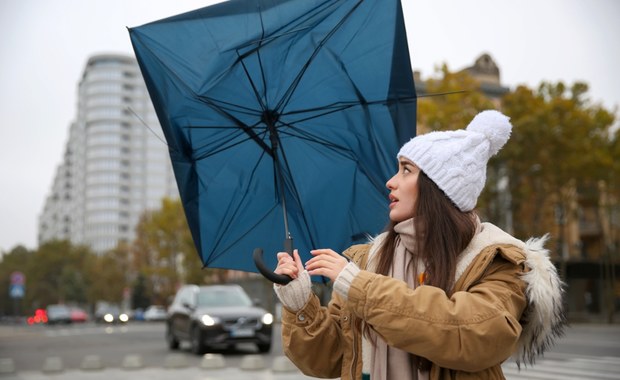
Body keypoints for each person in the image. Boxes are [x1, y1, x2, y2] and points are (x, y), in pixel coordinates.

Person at [272, 110, 566, 380]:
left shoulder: (494, 259)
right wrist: (299, 304)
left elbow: (472, 333)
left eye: (406, 170)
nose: (390, 181)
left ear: (438, 187)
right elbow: (328, 359)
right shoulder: (367, 260)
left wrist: (359, 286)